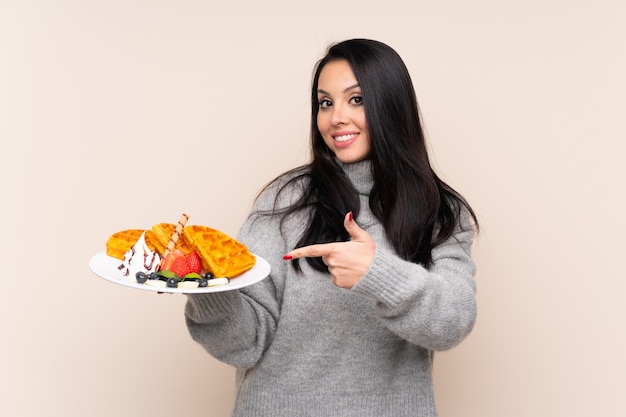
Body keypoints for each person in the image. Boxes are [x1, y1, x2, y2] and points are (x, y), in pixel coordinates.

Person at [185, 38, 479, 417]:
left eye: (356, 99)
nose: (335, 117)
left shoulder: (441, 211)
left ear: (392, 105)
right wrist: (207, 287)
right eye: (325, 103)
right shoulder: (283, 202)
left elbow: (452, 321)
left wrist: (378, 273)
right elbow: (245, 344)